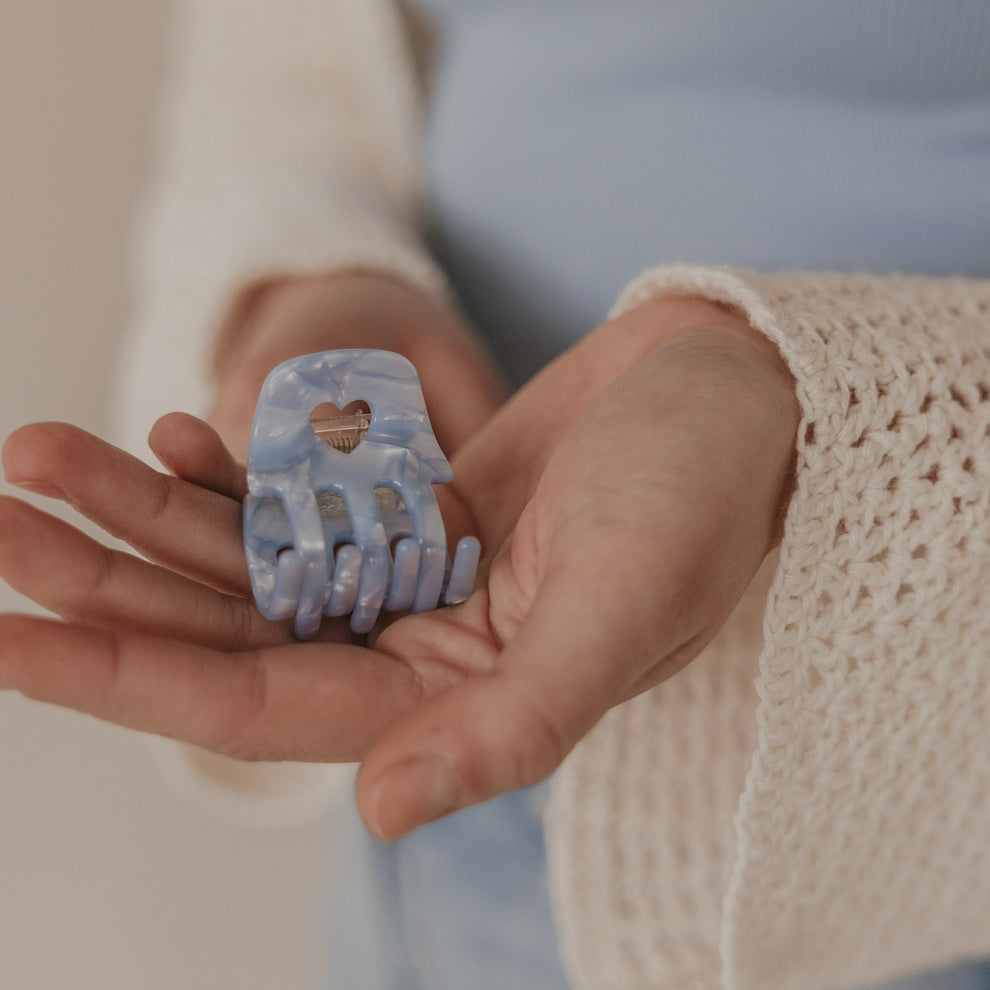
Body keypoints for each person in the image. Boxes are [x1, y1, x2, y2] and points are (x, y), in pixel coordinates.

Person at [1, 2, 989, 988]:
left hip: (918, 811)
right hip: (458, 776)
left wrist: (817, 403)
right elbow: (279, 54)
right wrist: (313, 277)